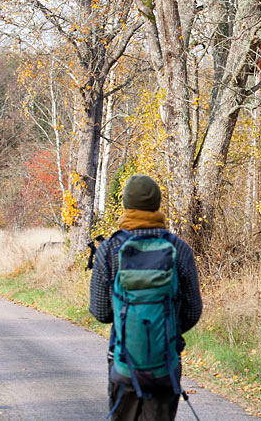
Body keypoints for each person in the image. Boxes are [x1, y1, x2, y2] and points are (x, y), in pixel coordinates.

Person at [89, 174, 202, 421]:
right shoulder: (179, 248)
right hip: (165, 364)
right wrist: (166, 329)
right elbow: (193, 311)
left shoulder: (109, 249)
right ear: (157, 204)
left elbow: (100, 312)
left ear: (127, 205)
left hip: (123, 363)